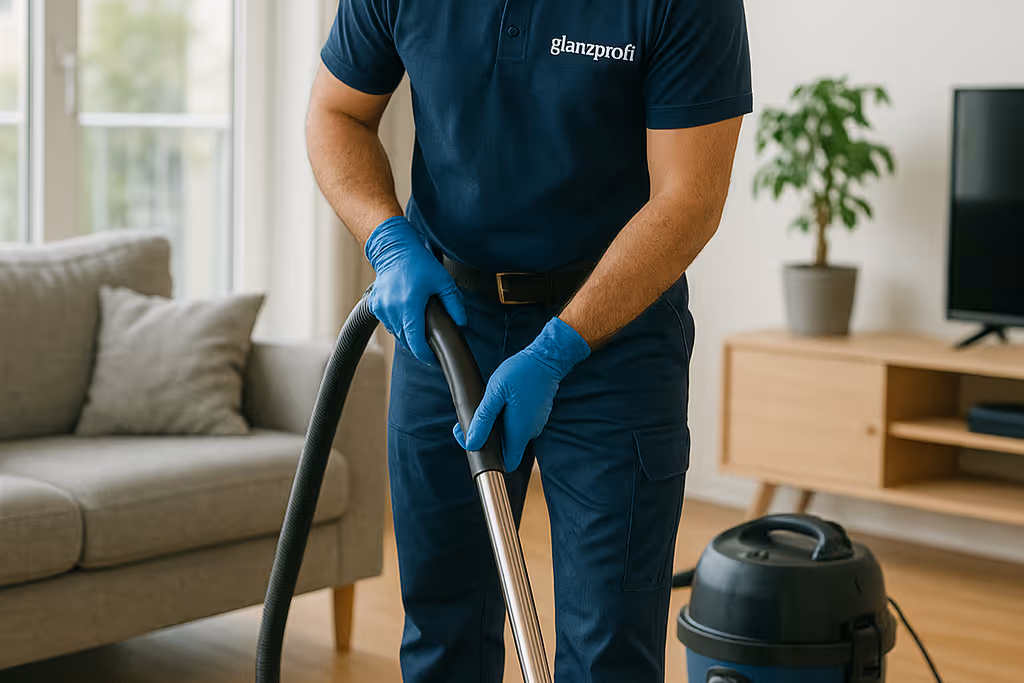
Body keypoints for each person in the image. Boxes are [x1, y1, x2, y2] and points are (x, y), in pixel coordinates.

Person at [308, 1, 751, 680]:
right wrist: (387, 239)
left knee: (610, 648)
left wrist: (559, 346)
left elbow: (690, 197)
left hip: (615, 335)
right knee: (441, 629)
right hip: (446, 324)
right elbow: (337, 112)